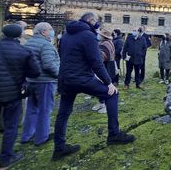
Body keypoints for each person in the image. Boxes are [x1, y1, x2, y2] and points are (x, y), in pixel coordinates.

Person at [53, 12, 135, 161]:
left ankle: (59, 148)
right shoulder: (88, 35)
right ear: (90, 21)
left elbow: (64, 56)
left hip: (66, 78)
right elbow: (96, 62)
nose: (97, 24)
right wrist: (109, 82)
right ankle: (114, 134)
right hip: (82, 78)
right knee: (112, 94)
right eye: (96, 21)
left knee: (63, 113)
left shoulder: (66, 34)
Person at [0, 24, 41, 170]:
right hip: (13, 95)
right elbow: (35, 73)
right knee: (11, 126)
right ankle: (5, 159)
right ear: (19, 36)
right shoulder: (25, 51)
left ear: (3, 34)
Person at [20, 22, 59, 146]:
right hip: (45, 81)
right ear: (43, 32)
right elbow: (48, 65)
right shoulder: (45, 45)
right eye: (50, 30)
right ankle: (42, 137)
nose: (52, 32)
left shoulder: (27, 44)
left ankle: (27, 135)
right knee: (45, 110)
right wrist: (60, 74)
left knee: (31, 109)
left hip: (31, 81)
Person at [92, 27, 118, 114]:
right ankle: (101, 103)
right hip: (109, 67)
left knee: (106, 88)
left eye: (100, 34)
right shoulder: (109, 42)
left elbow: (101, 57)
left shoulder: (104, 44)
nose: (98, 35)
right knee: (104, 87)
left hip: (106, 67)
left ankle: (106, 106)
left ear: (103, 36)